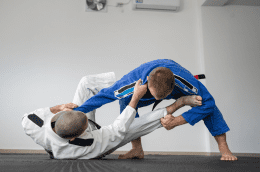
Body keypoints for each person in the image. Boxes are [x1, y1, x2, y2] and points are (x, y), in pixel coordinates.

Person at [72, 59, 237, 161]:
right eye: (157, 97)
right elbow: (102, 97)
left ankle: (223, 147)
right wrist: (75, 112)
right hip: (145, 90)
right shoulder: (131, 82)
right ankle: (137, 149)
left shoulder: (184, 81)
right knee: (126, 101)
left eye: (162, 97)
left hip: (175, 87)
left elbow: (209, 102)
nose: (159, 101)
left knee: (207, 103)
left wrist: (178, 121)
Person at [21, 72, 197, 159]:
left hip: (71, 124)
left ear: (59, 116)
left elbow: (29, 116)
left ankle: (126, 84)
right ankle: (180, 103)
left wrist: (59, 106)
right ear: (78, 135)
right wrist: (135, 97)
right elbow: (118, 129)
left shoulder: (33, 124)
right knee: (140, 124)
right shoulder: (86, 143)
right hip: (102, 144)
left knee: (86, 83)